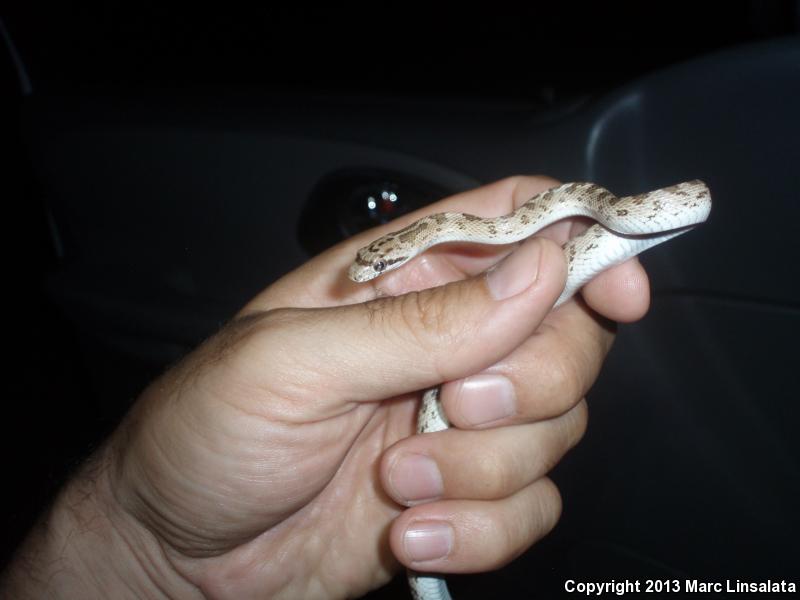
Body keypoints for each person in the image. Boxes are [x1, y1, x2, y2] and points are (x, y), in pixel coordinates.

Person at [0, 176, 650, 599]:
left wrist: (136, 552)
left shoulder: (506, 230)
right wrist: (138, 547)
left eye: (378, 261)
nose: (369, 271)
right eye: (376, 261)